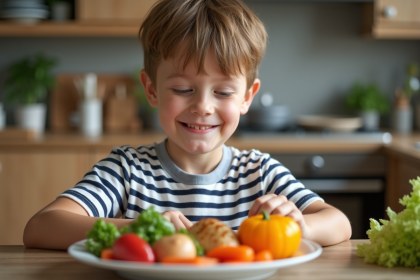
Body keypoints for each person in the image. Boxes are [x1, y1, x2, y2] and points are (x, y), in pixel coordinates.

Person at [23, 0, 351, 250]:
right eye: (182, 89)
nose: (203, 107)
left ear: (247, 98)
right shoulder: (126, 170)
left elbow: (339, 223)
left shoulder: (259, 172)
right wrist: (138, 227)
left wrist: (301, 227)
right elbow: (41, 227)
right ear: (151, 89)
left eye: (222, 92)